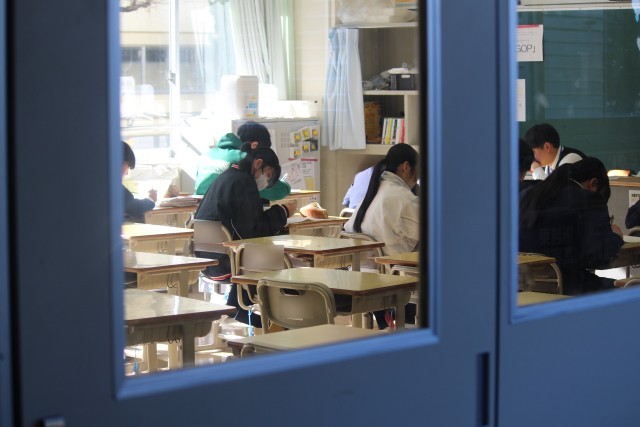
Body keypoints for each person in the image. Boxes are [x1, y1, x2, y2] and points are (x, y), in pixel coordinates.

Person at [194, 147, 296, 325]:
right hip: (224, 262)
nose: (266, 181)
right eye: (268, 175)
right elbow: (254, 233)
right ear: (258, 164)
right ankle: (281, 317)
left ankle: (239, 304)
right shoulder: (244, 183)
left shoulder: (226, 176)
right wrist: (282, 212)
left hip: (206, 258)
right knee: (284, 260)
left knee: (257, 252)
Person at [519, 157, 624, 295]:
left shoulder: (529, 194)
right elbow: (599, 257)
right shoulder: (587, 199)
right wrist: (616, 236)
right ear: (593, 183)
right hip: (568, 287)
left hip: (524, 287)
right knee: (628, 288)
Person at [344, 144, 419, 329]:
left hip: (360, 276)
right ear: (406, 167)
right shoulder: (404, 198)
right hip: (389, 282)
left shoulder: (373, 191)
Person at [194, 121, 291, 201]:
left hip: (199, 212)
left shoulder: (206, 155)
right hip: (225, 213)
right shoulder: (244, 159)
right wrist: (285, 185)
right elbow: (276, 191)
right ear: (254, 145)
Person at [122, 141, 157, 223]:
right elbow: (133, 206)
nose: (126, 173)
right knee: (138, 217)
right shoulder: (111, 185)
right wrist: (151, 200)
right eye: (128, 166)